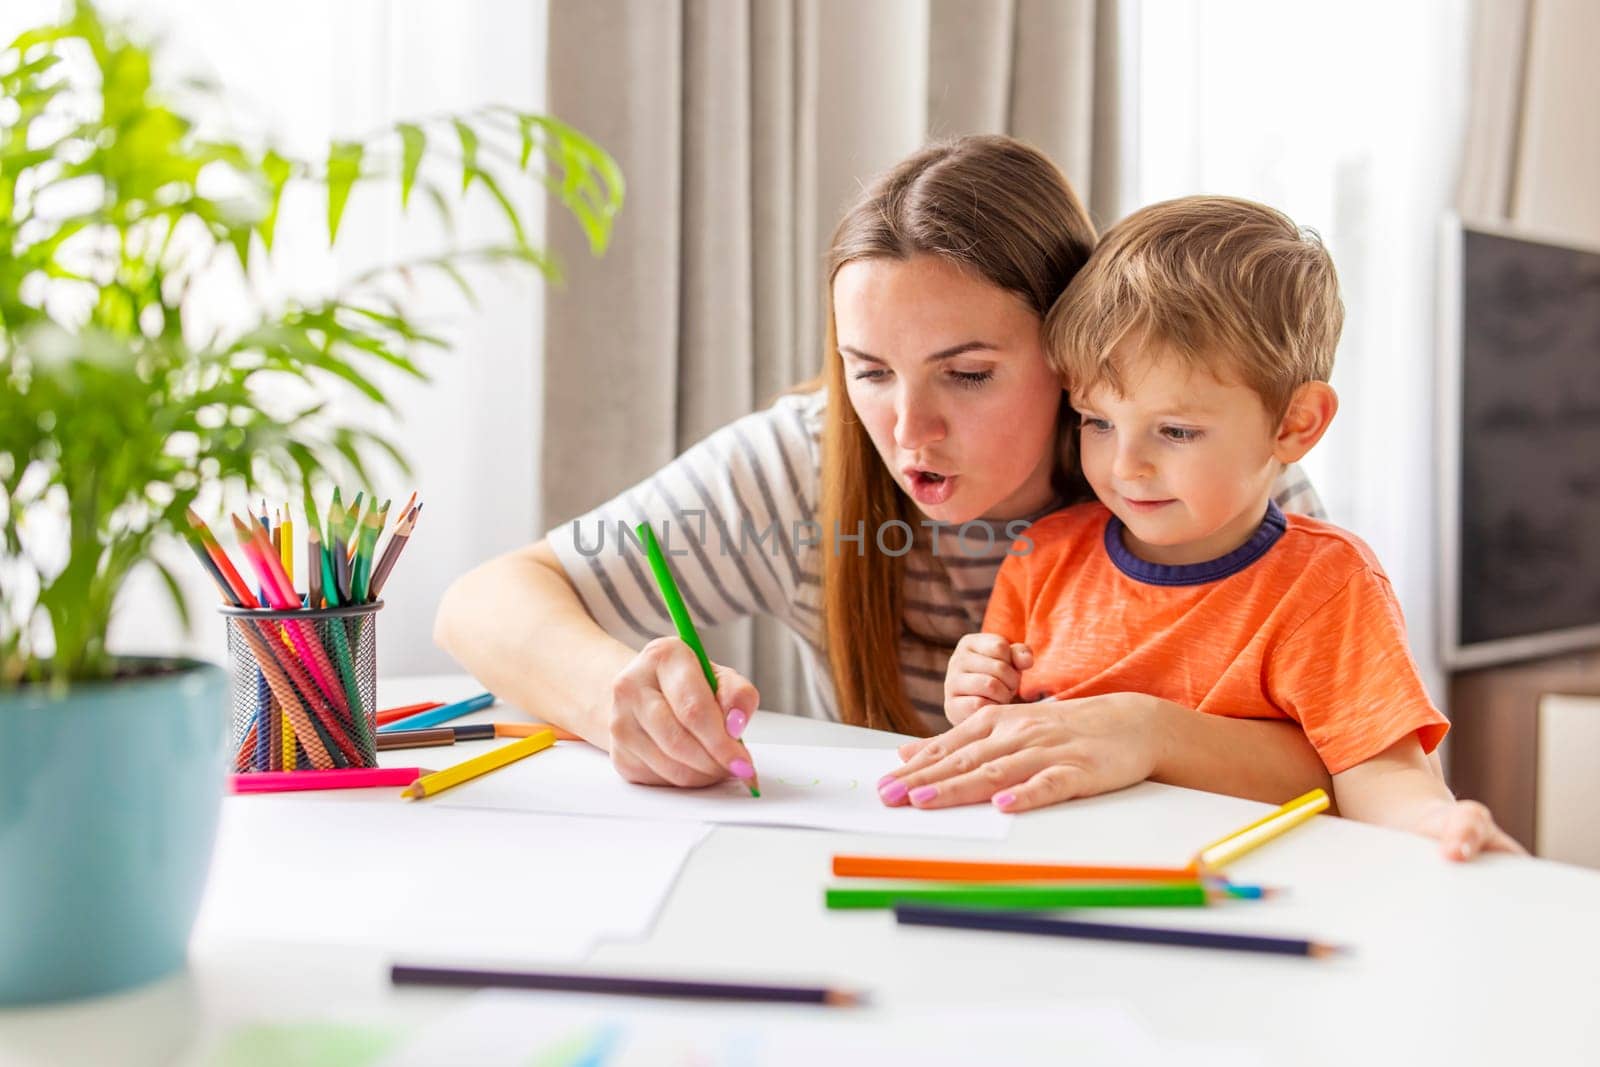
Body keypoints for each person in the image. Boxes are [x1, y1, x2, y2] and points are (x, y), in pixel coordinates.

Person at [434, 137, 1330, 804]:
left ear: (1072, 353)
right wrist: (610, 698)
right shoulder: (806, 463)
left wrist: (1152, 734)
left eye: (968, 373)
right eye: (869, 370)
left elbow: (1354, 756)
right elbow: (481, 601)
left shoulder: (1201, 460)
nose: (909, 430)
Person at [888, 195, 1520, 860]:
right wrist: (975, 693)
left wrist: (1436, 825)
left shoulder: (1327, 585)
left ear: (1294, 423)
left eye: (1176, 430)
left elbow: (1377, 771)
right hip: (1063, 875)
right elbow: (1011, 734)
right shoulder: (1042, 556)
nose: (1125, 465)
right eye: (1097, 421)